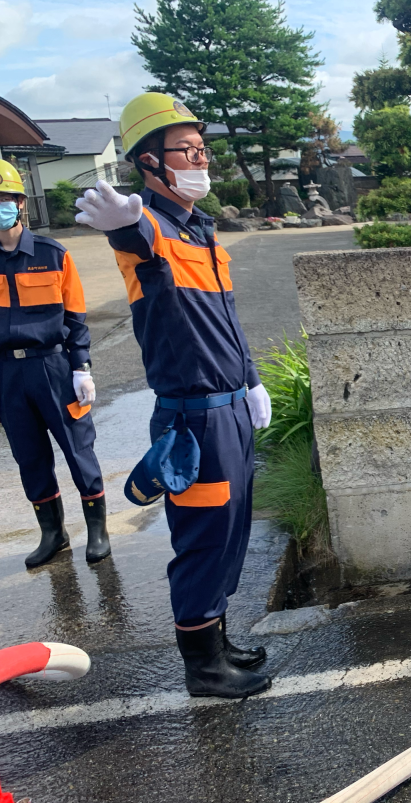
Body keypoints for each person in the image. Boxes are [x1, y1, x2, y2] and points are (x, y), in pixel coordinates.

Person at [74, 93, 273, 699]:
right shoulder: (151, 230)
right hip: (194, 420)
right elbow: (135, 235)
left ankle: (218, 638)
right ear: (149, 162)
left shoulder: (202, 231)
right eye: (186, 150)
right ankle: (202, 666)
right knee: (203, 538)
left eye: (202, 149)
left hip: (232, 409)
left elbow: (227, 322)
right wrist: (123, 222)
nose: (200, 159)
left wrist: (252, 379)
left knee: (231, 530)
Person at [0, 159, 110, 568]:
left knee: (77, 448)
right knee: (29, 456)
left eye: (3, 198)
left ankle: (97, 530)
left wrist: (81, 367)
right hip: (6, 373)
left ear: (20, 203)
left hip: (52, 367)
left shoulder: (52, 254)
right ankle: (53, 533)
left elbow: (75, 317)